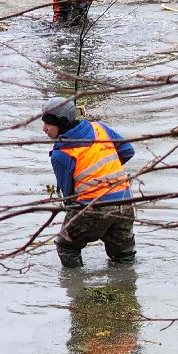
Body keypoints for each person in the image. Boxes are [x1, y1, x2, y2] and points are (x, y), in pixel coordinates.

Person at [41, 97, 137, 268]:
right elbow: (127, 151)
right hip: (125, 200)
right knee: (124, 257)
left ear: (61, 124)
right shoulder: (99, 128)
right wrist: (106, 172)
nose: (44, 129)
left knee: (66, 246)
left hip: (92, 206)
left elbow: (69, 196)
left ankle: (79, 291)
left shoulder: (61, 154)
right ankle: (125, 290)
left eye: (48, 124)